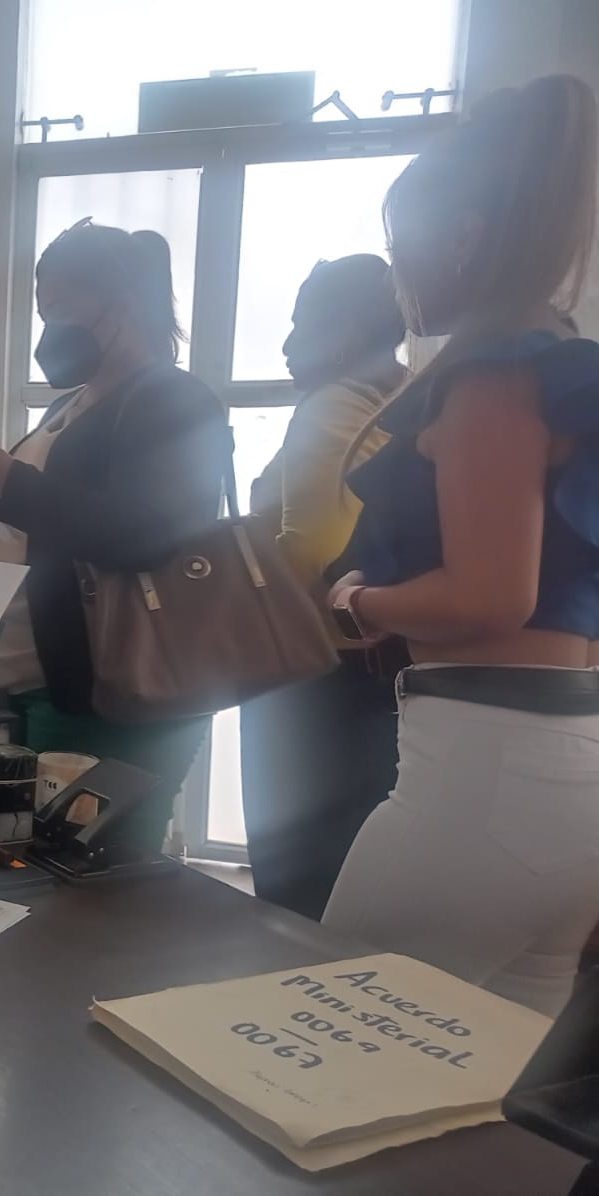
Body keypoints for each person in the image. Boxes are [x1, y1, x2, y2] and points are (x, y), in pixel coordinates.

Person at [321, 74, 599, 1015]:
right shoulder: (564, 371)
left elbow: (488, 597)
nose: (395, 273)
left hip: (485, 772)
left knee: (327, 1043)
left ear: (463, 238)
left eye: (401, 245)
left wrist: (359, 602)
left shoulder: (492, 379)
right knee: (491, 1087)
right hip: (565, 766)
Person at [0, 220, 229, 854]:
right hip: (36, 678)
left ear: (123, 303)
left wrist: (7, 478)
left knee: (98, 872)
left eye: (62, 308)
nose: (51, 329)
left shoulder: (175, 400)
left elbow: (149, 536)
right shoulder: (70, 405)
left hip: (112, 689)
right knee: (33, 862)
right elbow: (53, 527)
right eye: (45, 313)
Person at [240, 255, 410, 920]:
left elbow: (308, 545)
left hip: (306, 667)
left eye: (300, 325)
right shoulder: (413, 400)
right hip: (383, 665)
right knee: (353, 864)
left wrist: (239, 598)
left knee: (294, 882)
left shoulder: (333, 405)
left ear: (343, 334)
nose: (286, 345)